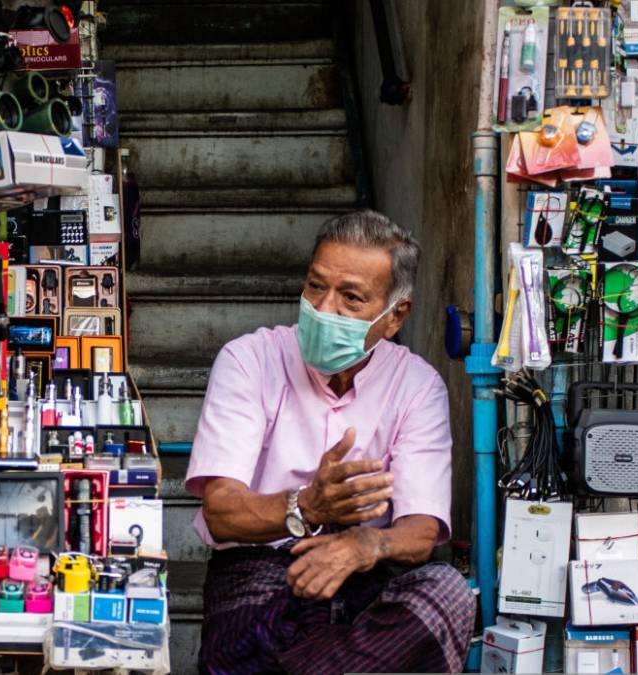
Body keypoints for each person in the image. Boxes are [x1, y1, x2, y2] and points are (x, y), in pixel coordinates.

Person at [186, 210, 475, 674]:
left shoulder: (418, 386)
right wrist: (306, 506)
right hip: (260, 576)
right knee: (250, 638)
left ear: (395, 316)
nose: (324, 309)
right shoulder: (249, 360)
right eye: (316, 286)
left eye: (351, 298)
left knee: (448, 594)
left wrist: (367, 545)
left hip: (365, 580)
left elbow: (421, 530)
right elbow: (221, 512)